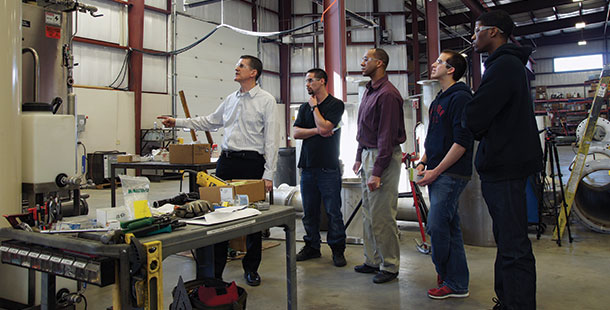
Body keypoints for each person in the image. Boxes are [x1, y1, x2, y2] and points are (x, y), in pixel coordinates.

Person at [158, 55, 279, 287]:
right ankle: (215, 273)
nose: (236, 68)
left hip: (251, 163)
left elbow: (272, 139)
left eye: (241, 65)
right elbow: (211, 121)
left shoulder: (266, 100)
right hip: (226, 161)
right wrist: (178, 122)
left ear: (253, 72)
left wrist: (268, 174)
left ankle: (251, 269)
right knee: (216, 214)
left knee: (252, 217)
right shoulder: (231, 99)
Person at [465, 10, 542, 310]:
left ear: (494, 32)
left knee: (513, 245)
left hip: (505, 167)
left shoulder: (504, 66)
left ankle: (518, 304)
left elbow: (475, 116)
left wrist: (473, 117)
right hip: (504, 165)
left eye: (477, 30)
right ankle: (509, 300)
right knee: (508, 242)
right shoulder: (504, 65)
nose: (474, 36)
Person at [415, 50, 473, 299]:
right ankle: (456, 282)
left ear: (451, 70)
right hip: (436, 170)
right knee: (450, 228)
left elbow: (462, 142)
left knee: (437, 226)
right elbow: (434, 137)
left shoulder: (461, 98)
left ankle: (446, 274)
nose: (433, 63)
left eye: (439, 61)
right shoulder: (440, 98)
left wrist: (436, 171)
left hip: (451, 173)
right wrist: (423, 161)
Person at [352, 48, 406, 284]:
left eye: (367, 59)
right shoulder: (369, 91)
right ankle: (372, 260)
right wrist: (357, 155)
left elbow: (386, 135)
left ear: (380, 63)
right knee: (368, 214)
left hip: (382, 157)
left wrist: (377, 171)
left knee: (383, 215)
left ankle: (390, 266)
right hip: (367, 154)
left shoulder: (387, 94)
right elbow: (363, 128)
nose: (362, 62)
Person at [293, 68, 347, 267]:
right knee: (309, 211)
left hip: (328, 167)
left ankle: (337, 250)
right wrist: (317, 130)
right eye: (305, 81)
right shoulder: (303, 107)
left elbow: (327, 127)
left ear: (322, 81)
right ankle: (312, 247)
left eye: (310, 80)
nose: (307, 84)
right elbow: (296, 133)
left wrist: (315, 108)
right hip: (307, 166)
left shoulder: (335, 104)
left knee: (333, 211)